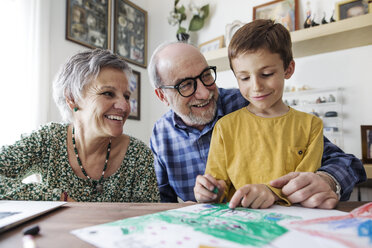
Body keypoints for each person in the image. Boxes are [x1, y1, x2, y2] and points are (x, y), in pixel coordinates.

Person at [147, 40, 366, 208]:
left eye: (206, 76)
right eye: (186, 85)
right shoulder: (160, 134)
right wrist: (187, 207)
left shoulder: (251, 102)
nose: (205, 92)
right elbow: (160, 202)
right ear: (161, 96)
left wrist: (327, 180)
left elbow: (346, 162)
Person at [194, 19, 324, 209]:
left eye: (267, 74)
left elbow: (304, 187)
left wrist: (271, 192)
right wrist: (210, 191)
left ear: (288, 69)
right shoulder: (225, 127)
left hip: (292, 225)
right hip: (240, 227)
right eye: (244, 78)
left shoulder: (311, 126)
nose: (256, 87)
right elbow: (218, 186)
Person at [0, 49, 160, 202]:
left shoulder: (139, 155)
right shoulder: (47, 140)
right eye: (108, 93)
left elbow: (149, 220)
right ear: (72, 98)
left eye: (126, 96)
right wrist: (57, 198)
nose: (124, 106)